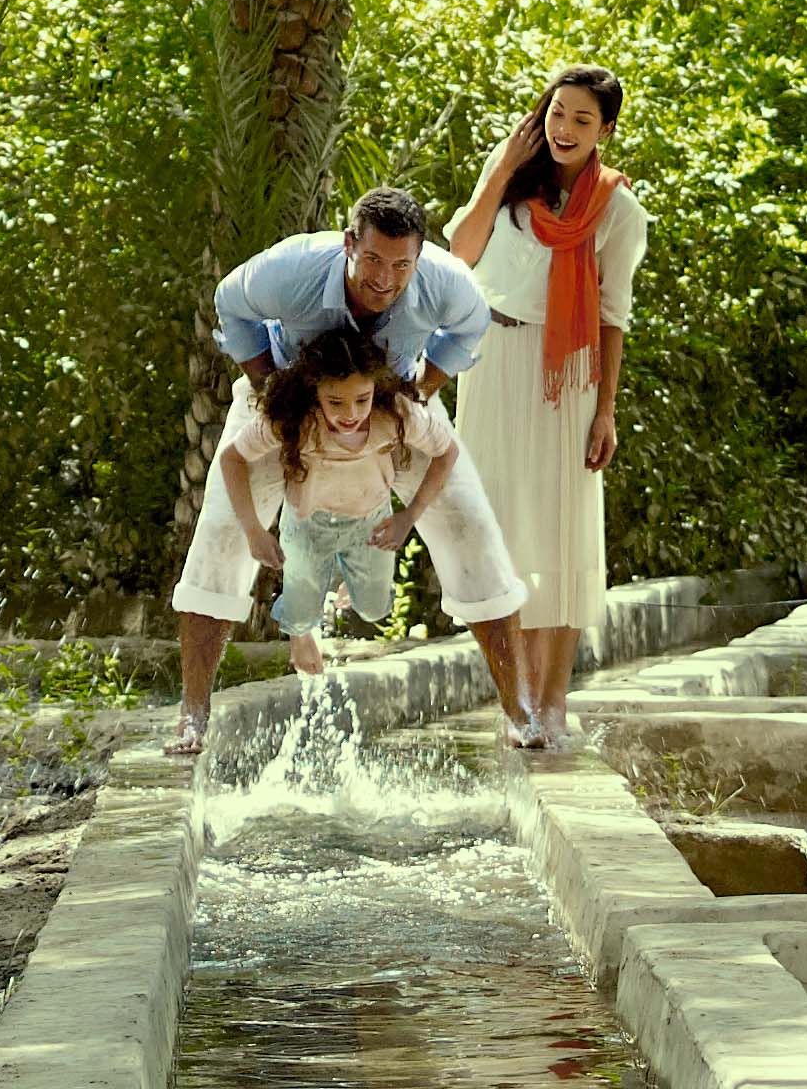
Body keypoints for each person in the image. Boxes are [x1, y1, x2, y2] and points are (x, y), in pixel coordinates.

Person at [173, 189, 528, 744]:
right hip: (288, 403)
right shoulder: (292, 268)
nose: (385, 278)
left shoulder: (445, 281)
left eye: (401, 265)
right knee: (220, 536)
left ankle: (520, 713)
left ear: (418, 257)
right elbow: (229, 301)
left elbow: (471, 325)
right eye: (373, 261)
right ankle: (193, 716)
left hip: (389, 407)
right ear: (348, 246)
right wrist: (270, 389)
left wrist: (425, 388)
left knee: (473, 527)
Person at [447, 67, 642, 762]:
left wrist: (606, 413)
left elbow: (614, 315)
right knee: (499, 533)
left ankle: (551, 701)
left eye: (582, 120)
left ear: (605, 131)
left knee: (558, 537)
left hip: (569, 377)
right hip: (490, 362)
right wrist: (497, 170)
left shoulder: (618, 210)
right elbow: (458, 255)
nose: (564, 129)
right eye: (558, 113)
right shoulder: (511, 185)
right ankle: (517, 698)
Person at [164, 326, 467, 742]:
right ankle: (300, 628)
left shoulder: (393, 415)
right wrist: (254, 530)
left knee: (376, 609)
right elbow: (233, 458)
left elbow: (447, 451)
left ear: (375, 390)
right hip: (307, 526)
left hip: (370, 523)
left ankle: (340, 575)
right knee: (303, 611)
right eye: (335, 402)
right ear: (315, 394)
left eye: (361, 400)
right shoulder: (293, 421)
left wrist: (409, 515)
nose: (349, 413)